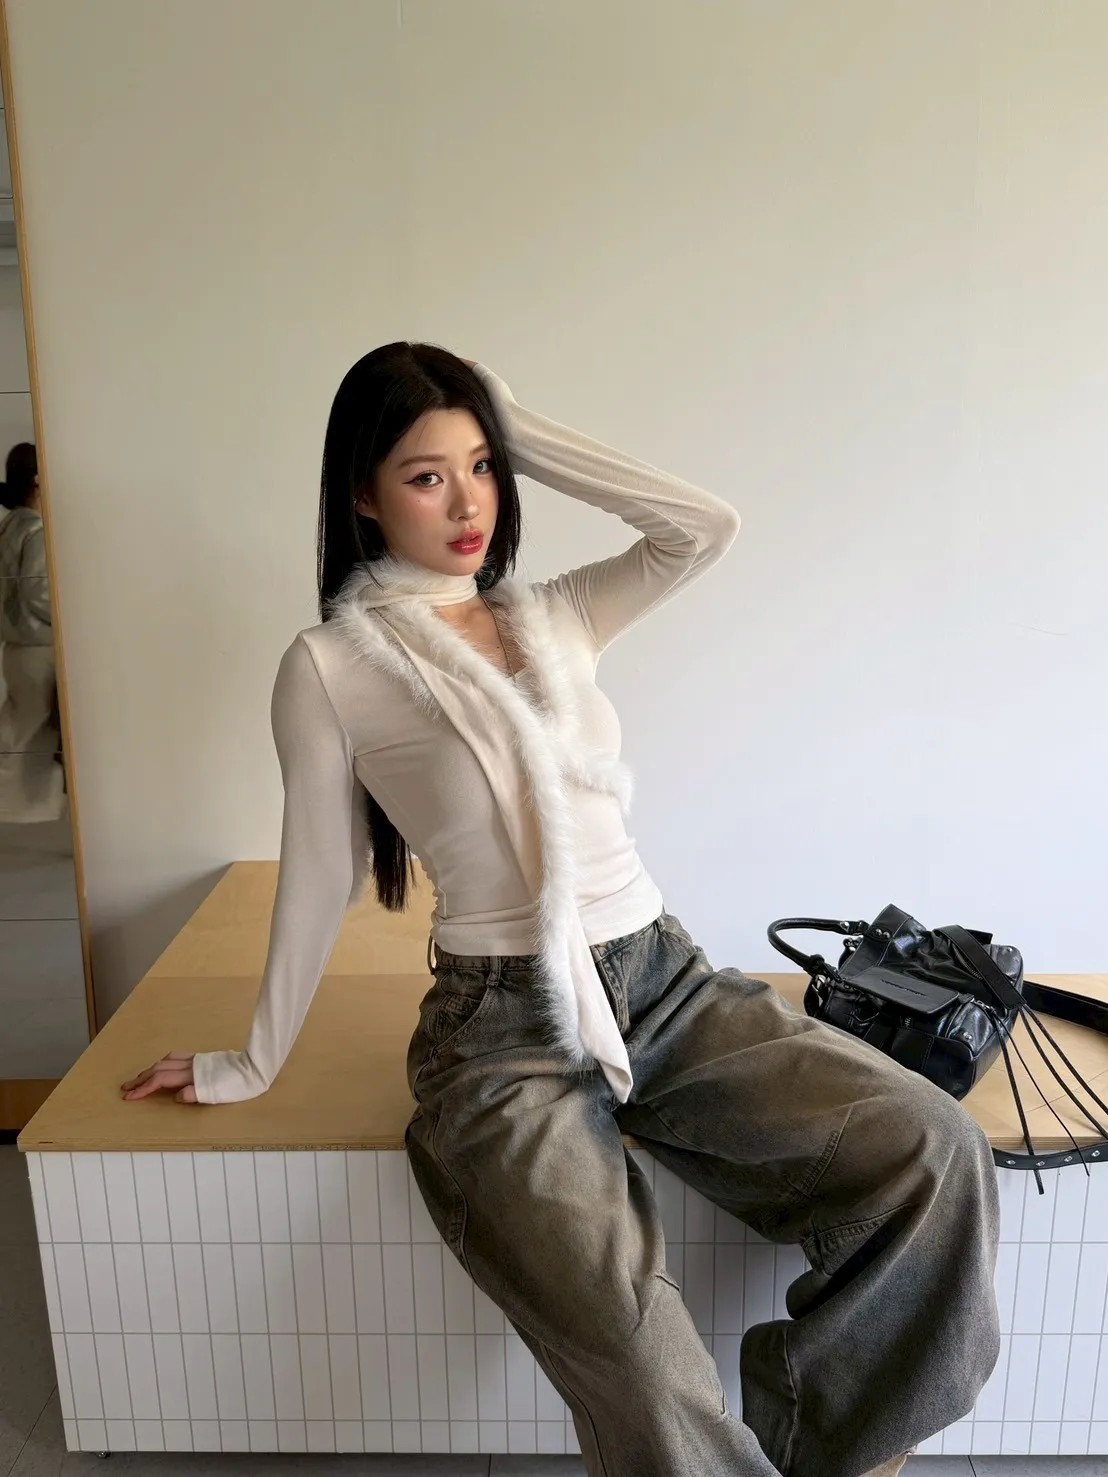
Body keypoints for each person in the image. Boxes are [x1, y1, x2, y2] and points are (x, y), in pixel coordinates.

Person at [121, 345, 999, 1477]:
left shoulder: (556, 615)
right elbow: (322, 870)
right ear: (362, 494)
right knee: (638, 1355)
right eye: (427, 475)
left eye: (482, 466)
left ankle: (838, 1454)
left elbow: (703, 526)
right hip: (503, 1032)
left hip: (666, 986)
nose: (469, 502)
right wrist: (248, 1060)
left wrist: (515, 423)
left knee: (933, 1150)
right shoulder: (330, 665)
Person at [0, 441, 66, 822]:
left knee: (16, 729)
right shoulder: (37, 530)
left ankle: (21, 809)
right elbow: (37, 590)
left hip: (13, 648)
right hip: (39, 647)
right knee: (32, 737)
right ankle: (19, 811)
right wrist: (69, 622)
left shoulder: (7, 527)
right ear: (39, 480)